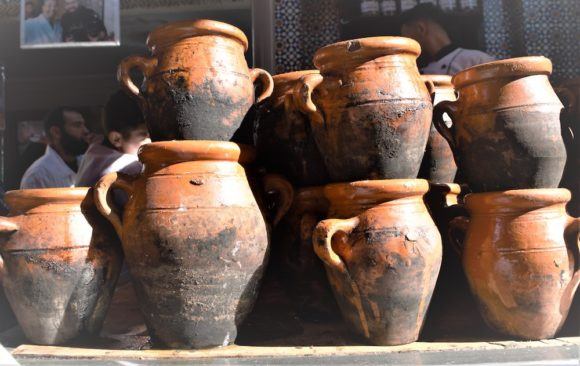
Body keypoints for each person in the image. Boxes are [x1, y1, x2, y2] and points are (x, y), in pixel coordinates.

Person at [75, 91, 150, 187]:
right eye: (143, 135)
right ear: (116, 139)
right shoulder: (131, 167)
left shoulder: (93, 154)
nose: (151, 143)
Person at [400, 4, 494, 75]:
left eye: (406, 37)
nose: (405, 43)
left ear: (421, 29)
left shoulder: (477, 60)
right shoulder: (420, 72)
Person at [21, 107, 89, 189]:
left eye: (84, 125)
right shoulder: (38, 175)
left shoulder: (88, 164)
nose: (86, 131)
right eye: (77, 125)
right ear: (56, 132)